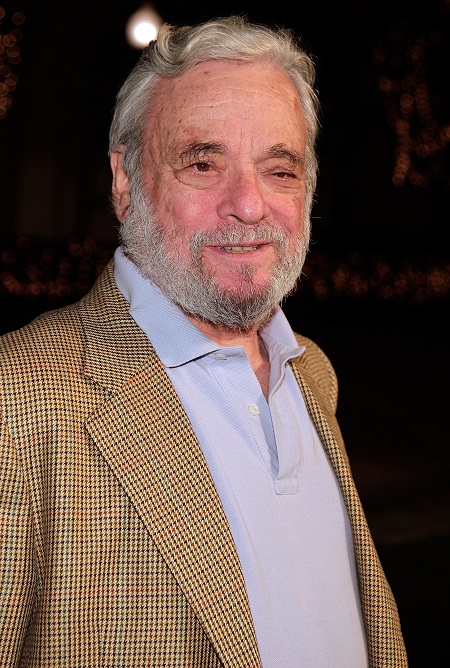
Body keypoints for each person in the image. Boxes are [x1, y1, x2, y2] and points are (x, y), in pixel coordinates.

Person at [0, 15, 407, 668]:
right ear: (125, 181)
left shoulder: (311, 374)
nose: (249, 204)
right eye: (202, 163)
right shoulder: (20, 398)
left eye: (280, 170)